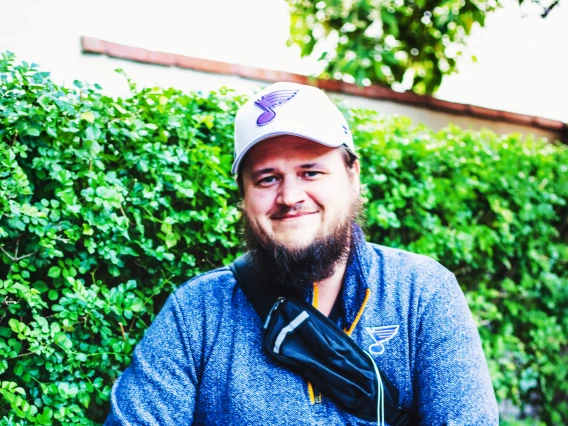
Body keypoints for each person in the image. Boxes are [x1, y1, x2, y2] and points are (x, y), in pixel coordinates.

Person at [105, 82, 499, 425]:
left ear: (352, 176)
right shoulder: (196, 314)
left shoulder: (422, 294)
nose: (290, 196)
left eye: (311, 171)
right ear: (244, 195)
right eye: (267, 178)